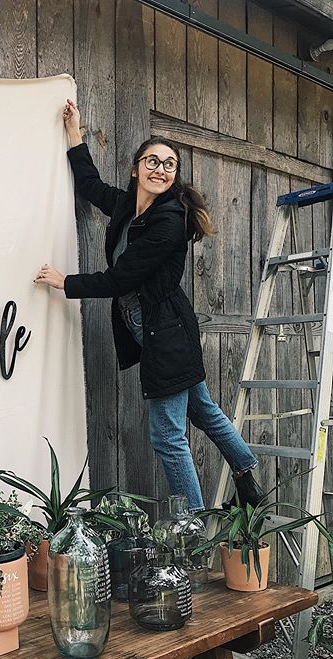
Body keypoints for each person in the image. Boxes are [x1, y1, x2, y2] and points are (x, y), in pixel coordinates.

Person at [34, 98, 264, 512]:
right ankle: (247, 472)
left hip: (166, 331)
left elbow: (122, 278)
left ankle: (192, 534)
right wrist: (74, 134)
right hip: (157, 324)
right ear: (137, 168)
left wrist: (64, 281)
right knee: (204, 409)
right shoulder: (128, 204)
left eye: (169, 164)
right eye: (153, 161)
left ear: (174, 176)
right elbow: (89, 185)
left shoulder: (168, 220)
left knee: (167, 437)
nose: (160, 169)